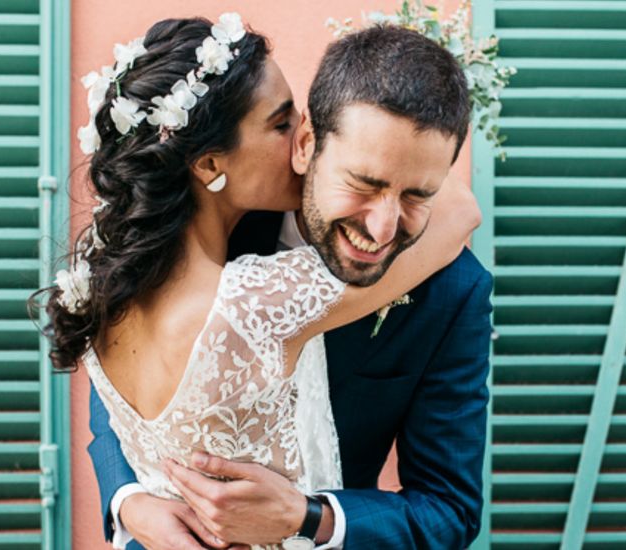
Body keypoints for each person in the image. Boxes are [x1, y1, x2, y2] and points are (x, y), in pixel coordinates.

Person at [71, 15, 489, 550]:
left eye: (417, 195)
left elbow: (450, 508)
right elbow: (122, 396)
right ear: (309, 141)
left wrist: (312, 518)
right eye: (364, 182)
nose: (383, 229)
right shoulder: (215, 239)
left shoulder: (451, 288)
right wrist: (130, 502)